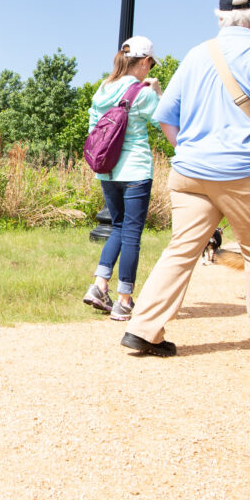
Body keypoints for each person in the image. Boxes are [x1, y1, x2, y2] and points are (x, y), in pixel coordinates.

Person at [120, 0, 250, 360]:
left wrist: (188, 149)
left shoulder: (198, 53)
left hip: (191, 172)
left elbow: (167, 115)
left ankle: (142, 330)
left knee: (181, 250)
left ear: (219, 16)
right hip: (246, 170)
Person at [82, 35, 162, 321]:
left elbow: (94, 128)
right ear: (143, 62)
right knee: (131, 234)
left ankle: (99, 285)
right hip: (136, 170)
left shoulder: (103, 88)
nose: (150, 69)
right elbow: (165, 119)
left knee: (118, 227)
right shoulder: (143, 92)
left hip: (107, 169)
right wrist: (158, 92)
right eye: (150, 64)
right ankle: (124, 300)